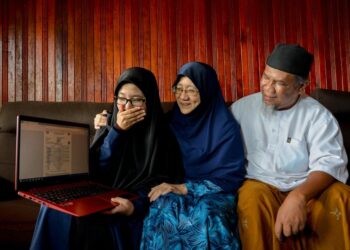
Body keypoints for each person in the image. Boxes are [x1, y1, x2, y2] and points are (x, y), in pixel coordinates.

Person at [30, 67, 184, 250]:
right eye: (122, 98)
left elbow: (163, 184)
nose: (126, 107)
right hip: (98, 193)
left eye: (136, 100)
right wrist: (117, 131)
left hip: (131, 202)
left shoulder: (163, 136)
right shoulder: (109, 126)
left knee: (96, 224)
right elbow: (96, 171)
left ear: (149, 101)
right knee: (54, 208)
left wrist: (134, 206)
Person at [230, 43, 350, 250]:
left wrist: (299, 196)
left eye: (280, 83)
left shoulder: (319, 116)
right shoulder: (241, 109)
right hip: (261, 186)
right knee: (250, 197)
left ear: (301, 87)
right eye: (266, 77)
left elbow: (329, 163)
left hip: (308, 189)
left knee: (341, 195)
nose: (268, 88)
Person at [140, 62, 246, 249]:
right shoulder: (169, 122)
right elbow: (140, 132)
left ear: (206, 91)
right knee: (163, 208)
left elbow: (231, 177)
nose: (183, 97)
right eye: (178, 89)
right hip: (174, 187)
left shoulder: (225, 128)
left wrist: (184, 188)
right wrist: (107, 123)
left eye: (191, 90)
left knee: (207, 215)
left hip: (215, 192)